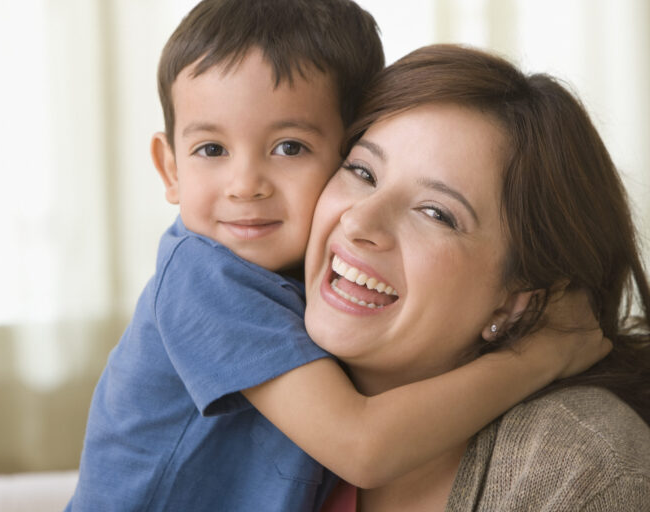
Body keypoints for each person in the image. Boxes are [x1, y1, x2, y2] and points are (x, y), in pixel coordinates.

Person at [66, 1, 610, 509]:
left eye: (289, 148)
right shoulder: (204, 276)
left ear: (342, 147)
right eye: (211, 149)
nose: (245, 184)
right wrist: (543, 357)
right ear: (170, 168)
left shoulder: (320, 286)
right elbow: (361, 447)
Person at [307, 44, 650, 511]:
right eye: (363, 171)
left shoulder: (584, 471)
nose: (359, 223)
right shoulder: (240, 310)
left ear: (517, 301)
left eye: (436, 213)